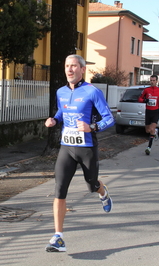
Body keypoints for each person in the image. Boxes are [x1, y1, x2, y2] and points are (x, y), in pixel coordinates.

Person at [44, 54, 115, 252]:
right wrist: (54, 120)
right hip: (66, 147)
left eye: (74, 66)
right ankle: (58, 237)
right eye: (67, 66)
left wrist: (91, 126)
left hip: (86, 148)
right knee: (59, 190)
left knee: (92, 185)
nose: (69, 69)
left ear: (82, 69)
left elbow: (109, 119)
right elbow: (61, 112)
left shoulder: (93, 92)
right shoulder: (60, 92)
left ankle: (103, 191)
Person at [138, 75, 159, 155]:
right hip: (148, 112)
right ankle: (155, 131)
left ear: (156, 81)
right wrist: (144, 100)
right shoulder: (146, 90)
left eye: (154, 80)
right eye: (151, 80)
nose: (152, 82)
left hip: (155, 112)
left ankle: (149, 148)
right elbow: (139, 99)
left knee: (151, 129)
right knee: (147, 130)